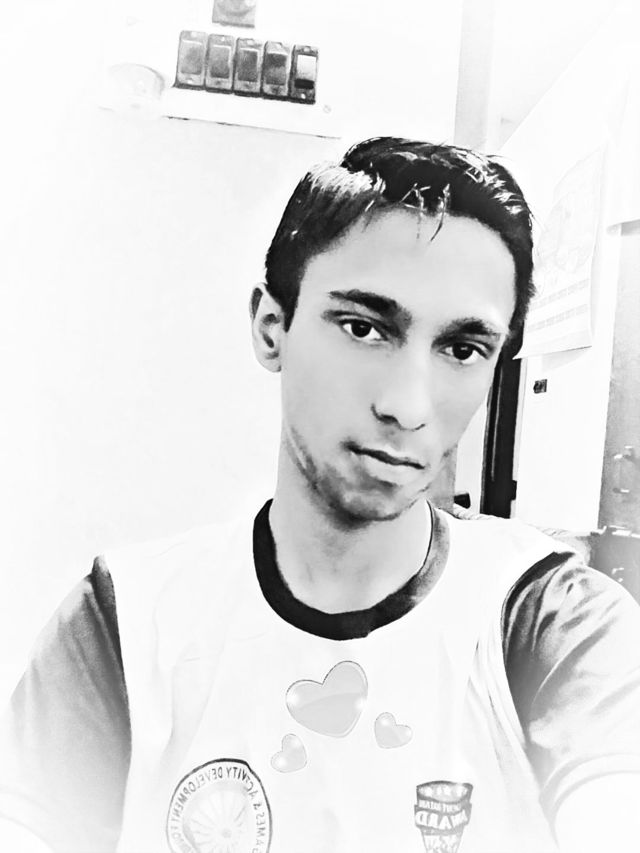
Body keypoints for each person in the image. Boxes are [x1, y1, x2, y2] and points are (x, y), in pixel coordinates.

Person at [1, 137, 640, 853]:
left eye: (462, 349)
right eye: (364, 328)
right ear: (271, 327)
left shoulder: (551, 620)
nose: (408, 405)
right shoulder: (124, 623)